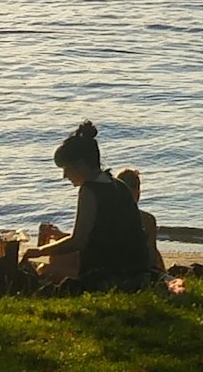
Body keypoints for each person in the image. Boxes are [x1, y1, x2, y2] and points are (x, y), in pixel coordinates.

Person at [29, 120, 159, 293]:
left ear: (81, 164)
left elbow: (78, 241)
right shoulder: (119, 185)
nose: (64, 176)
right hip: (138, 272)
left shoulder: (89, 191)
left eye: (66, 169)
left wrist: (38, 251)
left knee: (41, 277)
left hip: (110, 274)